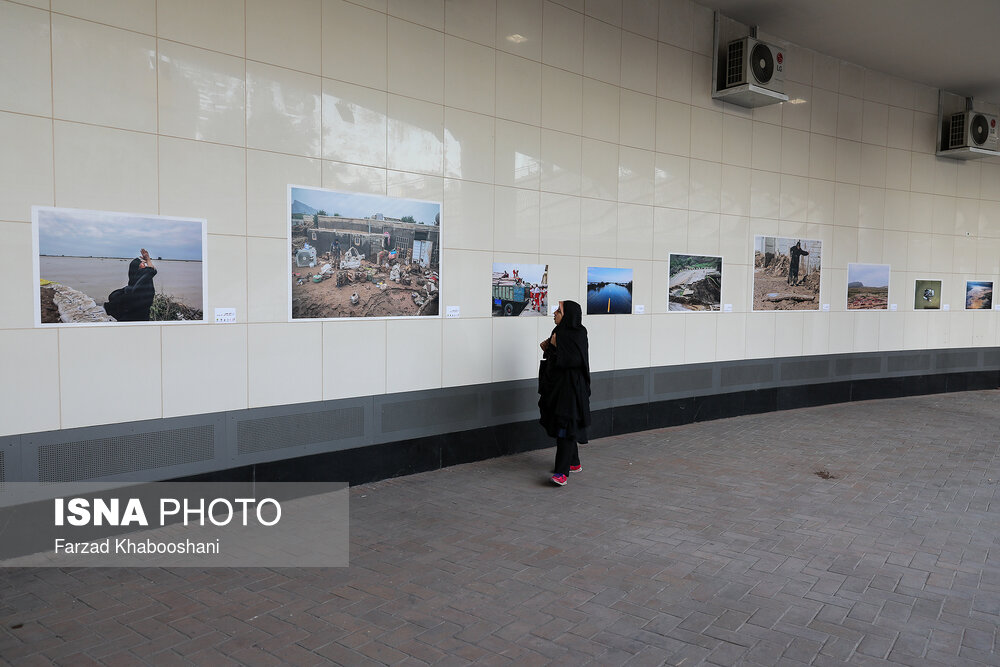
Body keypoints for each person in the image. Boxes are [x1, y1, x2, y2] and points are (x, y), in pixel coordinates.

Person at [538, 300, 591, 486]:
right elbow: (554, 360)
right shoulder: (558, 332)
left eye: (558, 311)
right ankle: (574, 463)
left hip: (573, 389)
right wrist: (549, 347)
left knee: (565, 428)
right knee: (567, 425)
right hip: (558, 388)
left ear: (567, 314)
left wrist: (555, 346)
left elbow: (576, 361)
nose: (554, 313)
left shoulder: (578, 333)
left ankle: (562, 472)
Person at [104, 248, 157, 322]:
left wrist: (147, 261)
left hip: (126, 323)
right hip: (141, 323)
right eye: (142, 264)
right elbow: (151, 272)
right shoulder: (141, 289)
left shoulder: (128, 290)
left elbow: (151, 272)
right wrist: (148, 260)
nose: (144, 265)